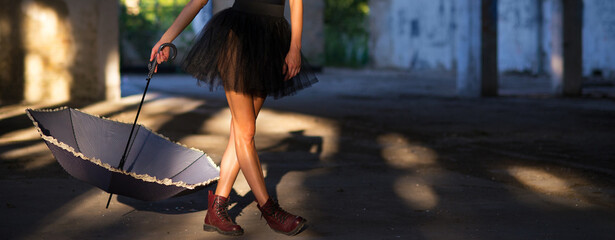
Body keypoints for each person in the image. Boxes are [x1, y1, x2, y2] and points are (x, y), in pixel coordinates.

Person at [150, 0, 318, 236]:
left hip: (270, 41)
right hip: (235, 38)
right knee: (246, 131)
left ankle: (216, 208)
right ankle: (270, 210)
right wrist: (166, 39)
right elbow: (197, 2)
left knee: (241, 132)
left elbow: (296, 1)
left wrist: (294, 47)